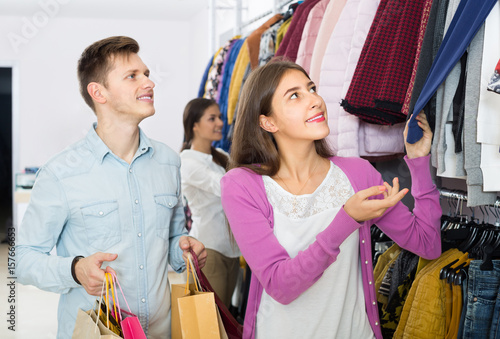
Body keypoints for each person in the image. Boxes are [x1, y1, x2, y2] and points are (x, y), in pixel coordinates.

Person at [220, 60, 442, 339]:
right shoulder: (242, 185)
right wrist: (348, 219)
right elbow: (281, 286)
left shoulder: (358, 173)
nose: (315, 100)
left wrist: (420, 161)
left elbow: (428, 244)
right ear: (268, 122)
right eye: (295, 96)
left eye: (311, 89)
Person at [16, 36, 207, 339]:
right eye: (132, 76)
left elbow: (173, 237)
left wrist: (183, 250)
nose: (149, 82)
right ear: (98, 92)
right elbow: (23, 258)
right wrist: (76, 269)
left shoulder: (169, 162)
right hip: (96, 332)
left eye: (146, 74)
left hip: (161, 330)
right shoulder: (60, 173)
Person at [180, 98, 241, 308]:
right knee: (212, 323)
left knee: (227, 320)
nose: (220, 123)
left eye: (220, 117)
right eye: (212, 118)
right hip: (209, 250)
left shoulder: (221, 156)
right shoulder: (187, 162)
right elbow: (228, 187)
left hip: (232, 250)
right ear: (194, 125)